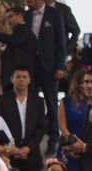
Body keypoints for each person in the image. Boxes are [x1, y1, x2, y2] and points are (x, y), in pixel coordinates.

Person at [0, 66, 46, 171]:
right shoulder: (3, 100)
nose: (21, 80)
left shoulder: (38, 101)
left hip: (30, 153)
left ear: (29, 80)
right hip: (10, 153)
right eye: (18, 77)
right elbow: (0, 128)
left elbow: (41, 127)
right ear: (12, 79)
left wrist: (28, 148)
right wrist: (14, 149)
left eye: (24, 77)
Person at [25, 0, 65, 155]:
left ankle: (53, 139)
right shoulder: (26, 14)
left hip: (49, 66)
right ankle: (32, 140)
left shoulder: (55, 14)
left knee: (51, 103)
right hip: (30, 66)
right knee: (32, 103)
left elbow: (60, 41)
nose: (28, 2)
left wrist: (60, 66)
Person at [58, 70, 87, 171]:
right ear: (76, 83)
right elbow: (63, 127)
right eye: (82, 81)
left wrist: (83, 147)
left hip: (89, 149)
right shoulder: (65, 102)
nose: (85, 85)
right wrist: (72, 146)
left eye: (88, 82)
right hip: (68, 149)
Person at [0, 6, 37, 91]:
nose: (8, 20)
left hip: (17, 78)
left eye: (11, 16)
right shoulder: (26, 32)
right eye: (7, 17)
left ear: (20, 16)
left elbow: (12, 40)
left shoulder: (20, 29)